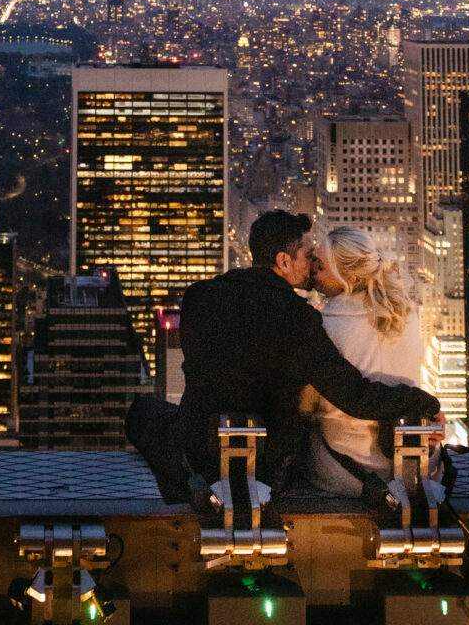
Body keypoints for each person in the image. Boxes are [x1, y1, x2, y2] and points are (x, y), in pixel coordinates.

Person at [170, 210, 441, 496]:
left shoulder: (198, 295)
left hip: (195, 452)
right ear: (284, 261)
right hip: (262, 468)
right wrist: (425, 403)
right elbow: (355, 396)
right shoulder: (299, 318)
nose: (312, 264)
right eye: (308, 255)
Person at [303, 225, 441, 496]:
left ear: (349, 276)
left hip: (345, 473)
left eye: (320, 265)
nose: (312, 270)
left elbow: (308, 404)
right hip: (419, 467)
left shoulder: (323, 325)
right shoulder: (406, 313)